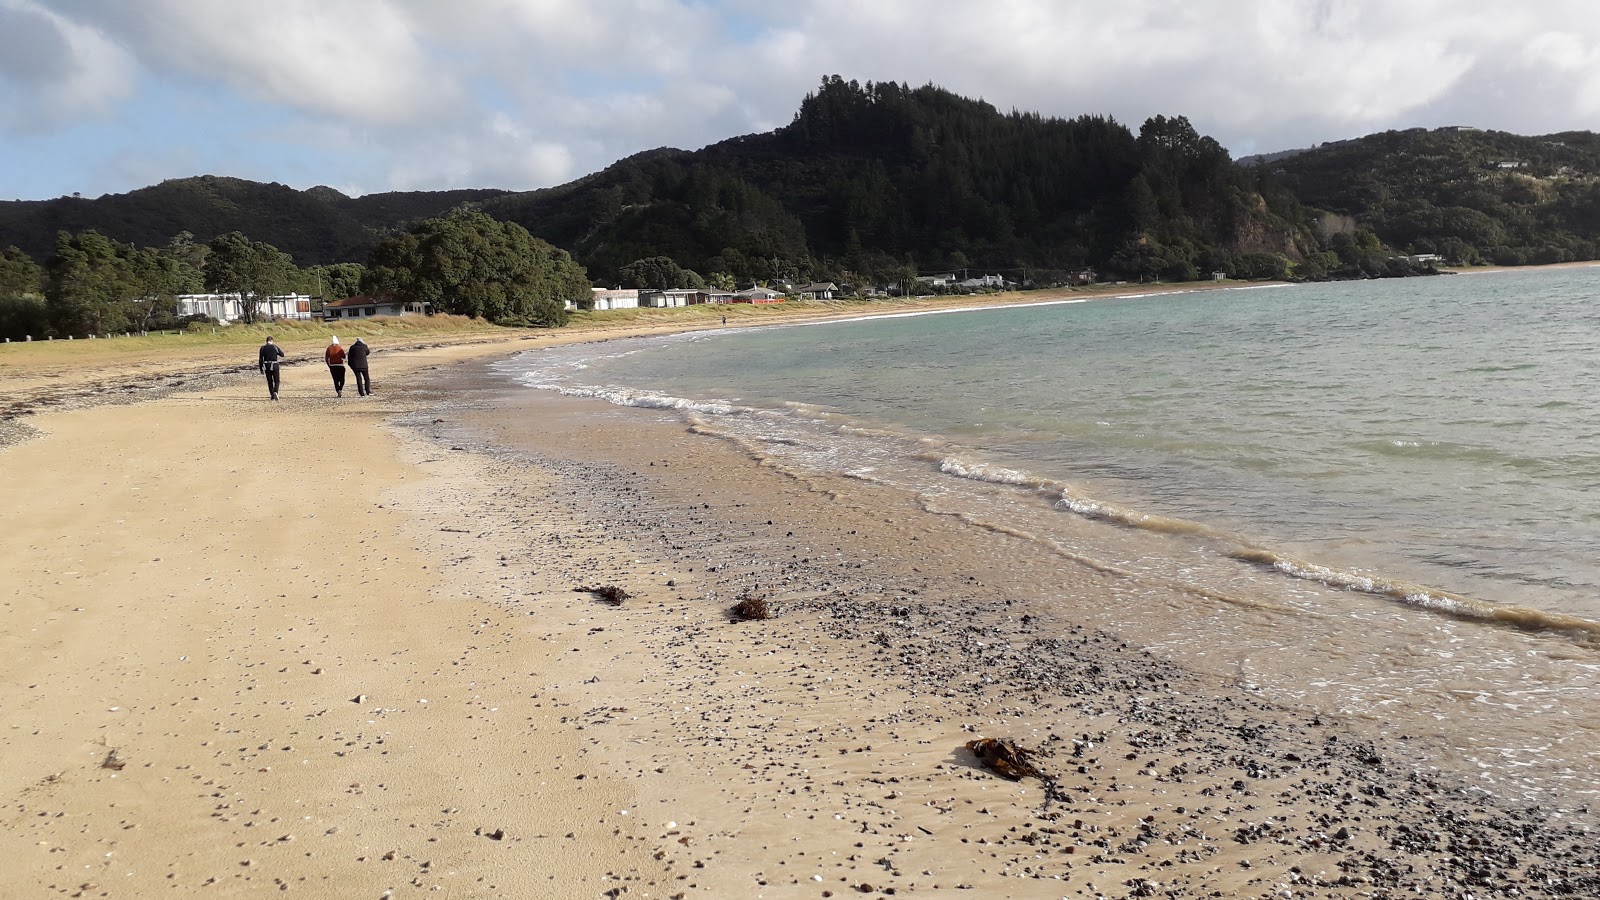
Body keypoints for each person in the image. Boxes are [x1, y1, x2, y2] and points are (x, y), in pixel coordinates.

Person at [258, 336, 286, 400]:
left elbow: (260, 359)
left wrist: (261, 368)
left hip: (267, 365)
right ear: (272, 341)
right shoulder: (275, 347)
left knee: (270, 381)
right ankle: (276, 392)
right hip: (275, 365)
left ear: (266, 341)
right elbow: (282, 355)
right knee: (277, 380)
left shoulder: (262, 348)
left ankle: (272, 394)